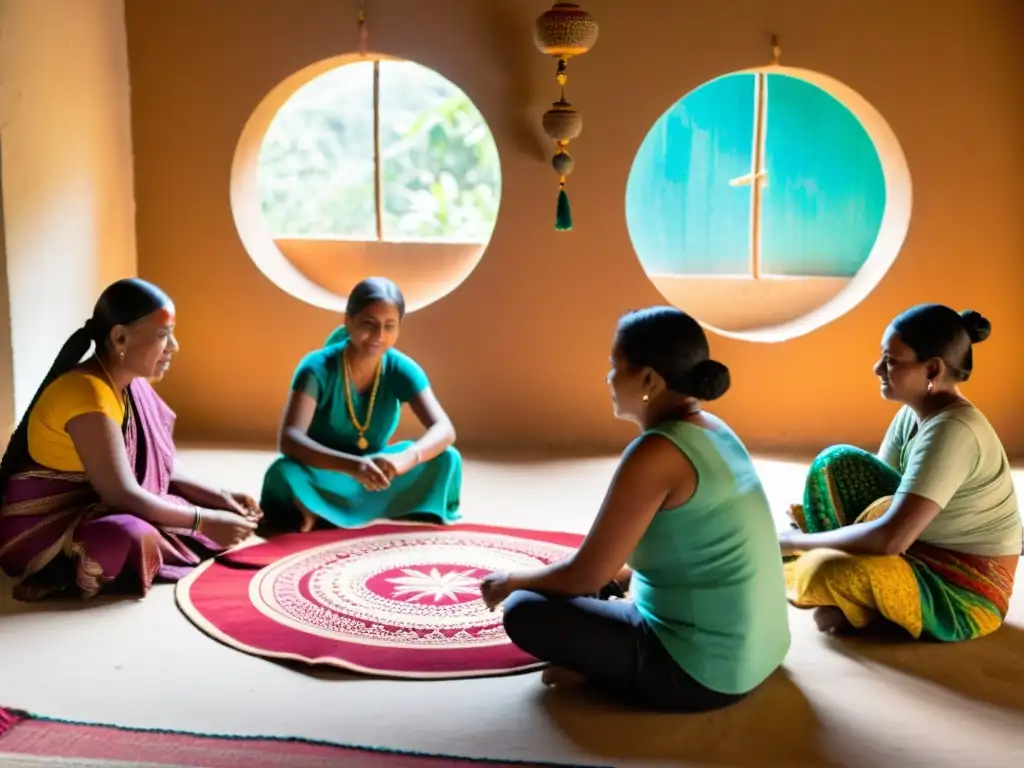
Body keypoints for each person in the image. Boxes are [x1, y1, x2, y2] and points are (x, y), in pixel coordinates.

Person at [480, 306, 791, 712]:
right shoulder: (714, 429)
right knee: (586, 577)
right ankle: (607, 658)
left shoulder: (655, 453)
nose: (608, 378)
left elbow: (585, 575)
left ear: (648, 379)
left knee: (525, 608)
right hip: (762, 652)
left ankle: (611, 671)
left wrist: (509, 581)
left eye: (615, 366)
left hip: (703, 675)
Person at [0, 278, 259, 602]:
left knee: (178, 508)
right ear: (119, 337)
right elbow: (122, 493)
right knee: (125, 536)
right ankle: (62, 572)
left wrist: (220, 497)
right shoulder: (87, 395)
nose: (174, 346)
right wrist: (203, 521)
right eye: (163, 335)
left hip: (102, 501)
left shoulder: (129, 384)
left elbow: (164, 468)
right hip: (48, 527)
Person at [781, 304, 1021, 641]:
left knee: (821, 571)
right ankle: (857, 604)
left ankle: (861, 606)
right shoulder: (915, 413)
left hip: (964, 585)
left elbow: (891, 537)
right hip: (916, 541)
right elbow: (881, 507)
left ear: (932, 370)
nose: (877, 368)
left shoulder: (954, 430)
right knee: (833, 463)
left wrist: (796, 543)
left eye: (891, 361)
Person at [259, 277, 461, 533]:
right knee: (282, 473)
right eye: (369, 324)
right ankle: (320, 508)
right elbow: (289, 440)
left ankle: (321, 514)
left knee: (447, 458)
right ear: (348, 320)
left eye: (389, 326)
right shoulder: (316, 368)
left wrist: (404, 459)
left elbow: (444, 428)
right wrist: (353, 467)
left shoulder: (401, 367)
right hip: (324, 470)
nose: (379, 336)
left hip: (377, 473)